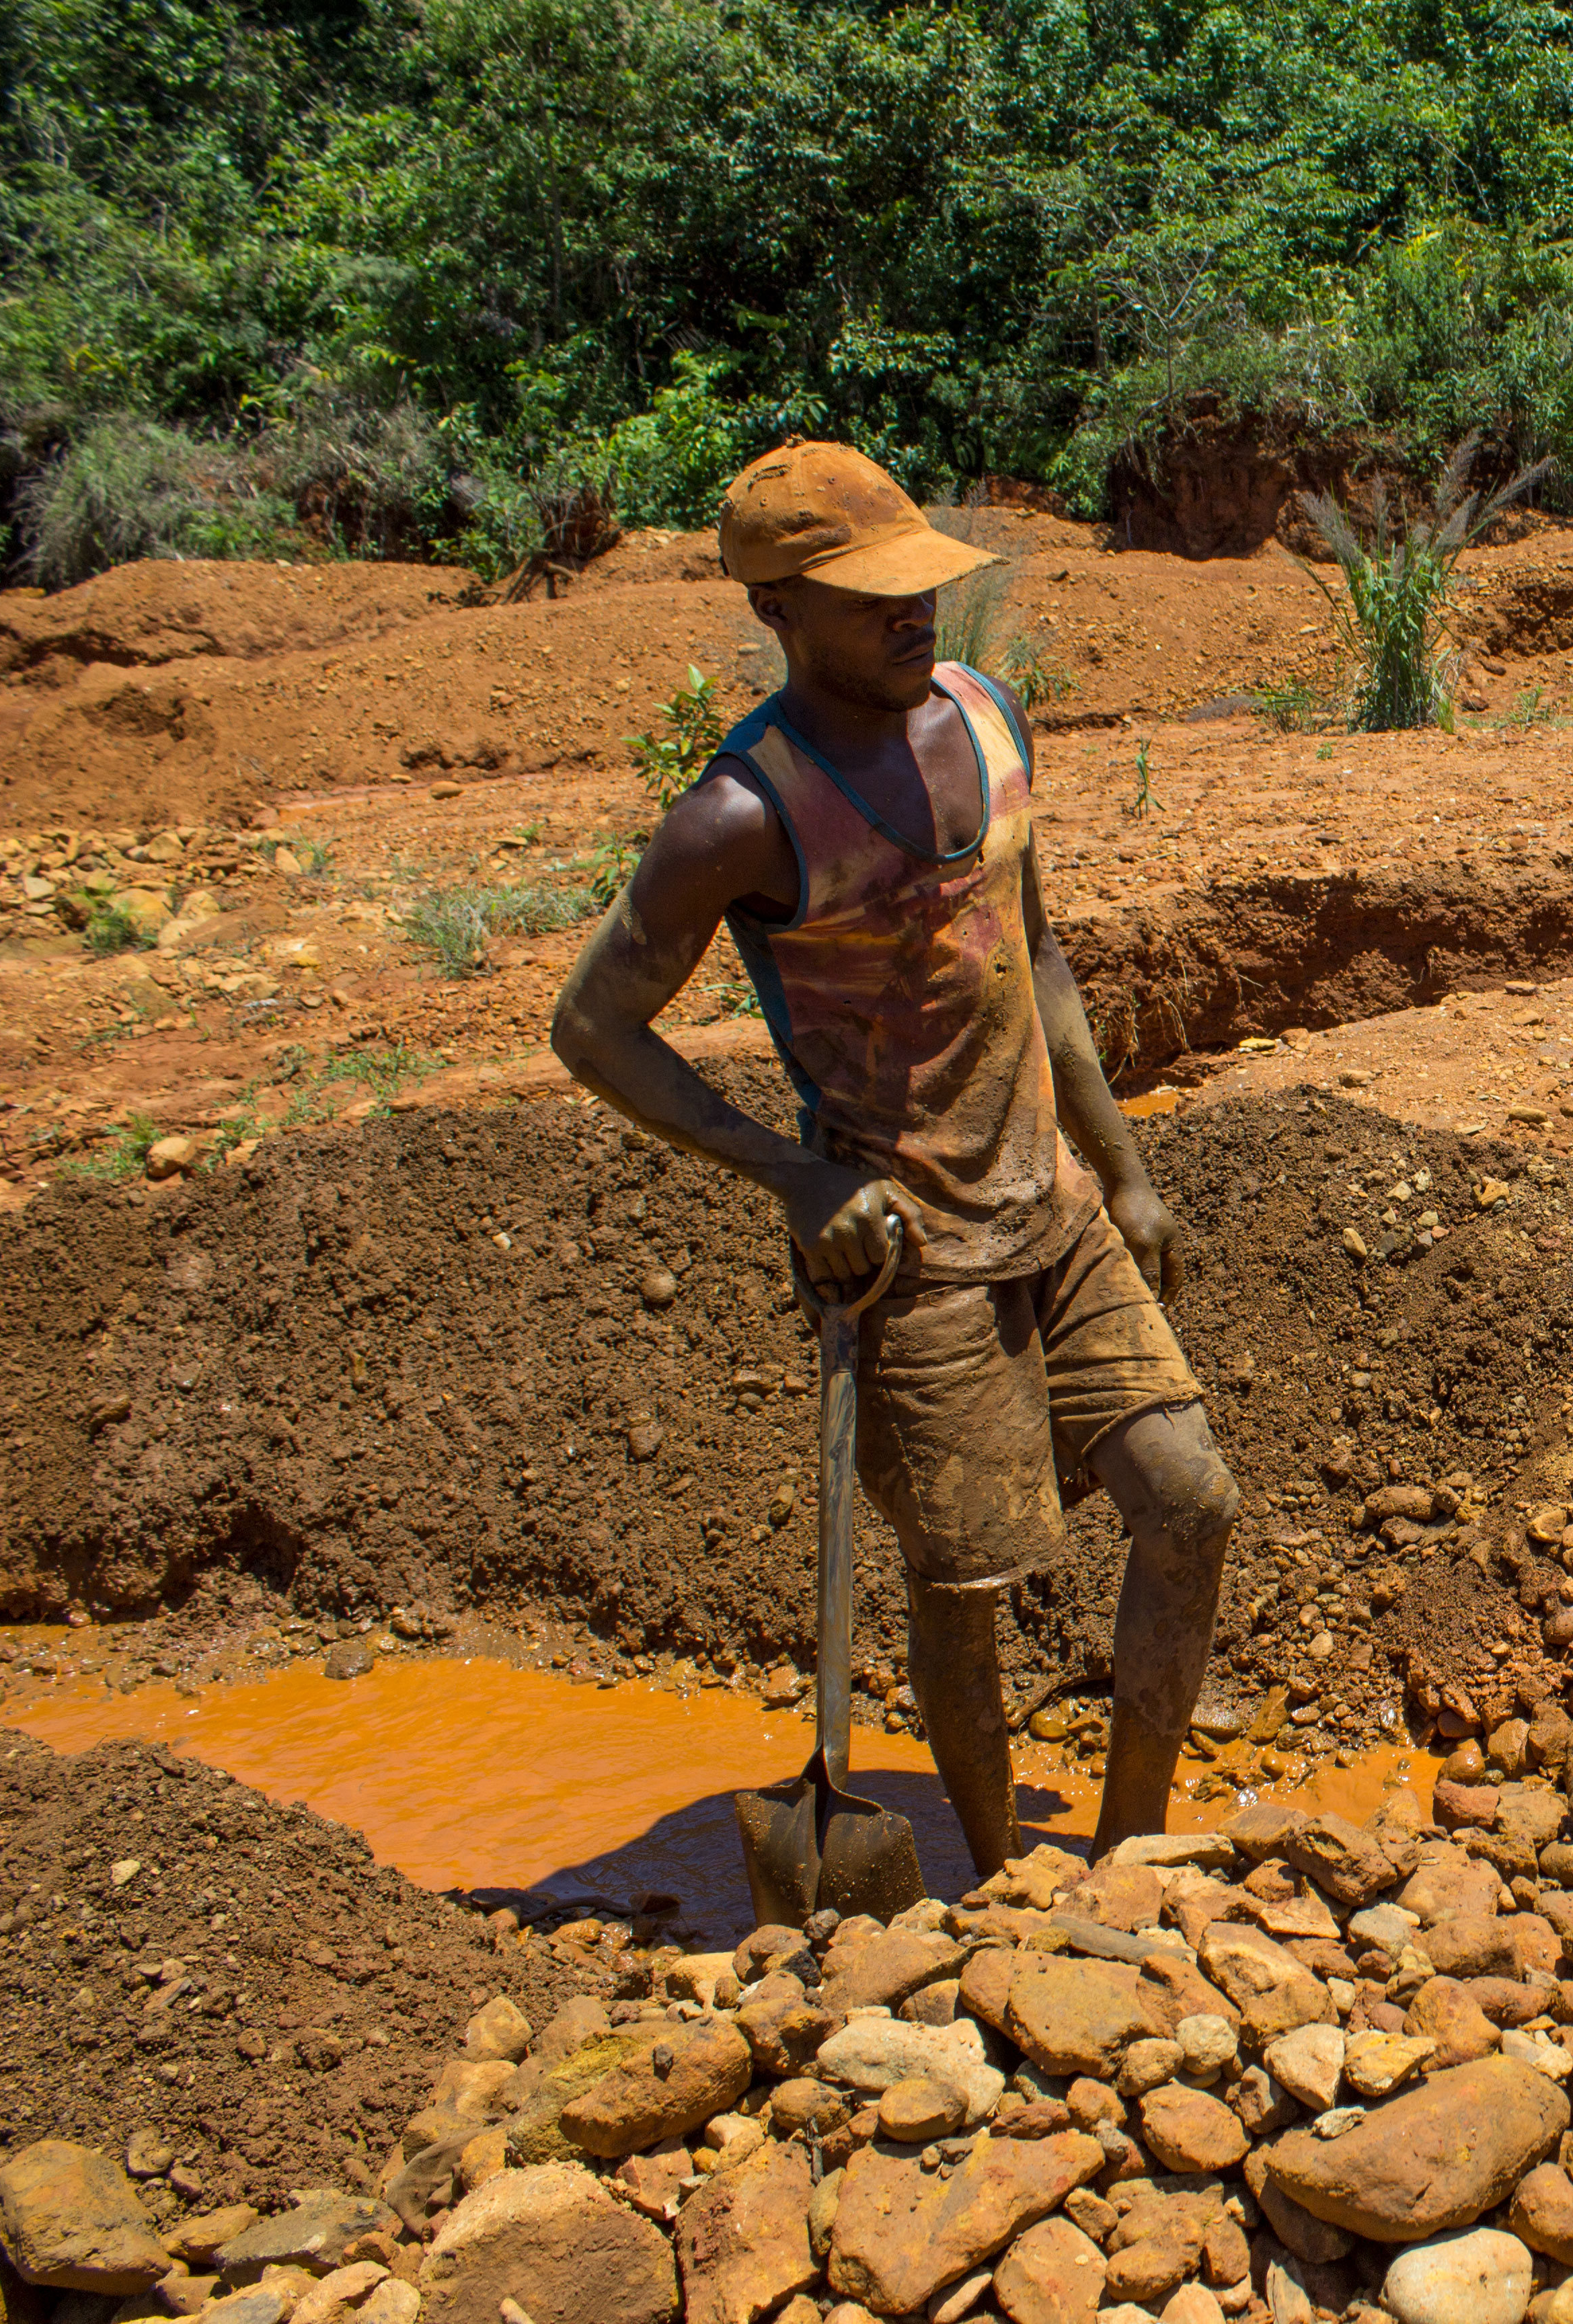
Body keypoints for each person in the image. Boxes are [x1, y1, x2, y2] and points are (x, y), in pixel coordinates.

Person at [552, 440, 1238, 1875]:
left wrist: (1123, 1166)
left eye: (919, 587)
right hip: (912, 1253)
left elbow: (1034, 948)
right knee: (968, 1584)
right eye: (871, 600)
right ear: (779, 612)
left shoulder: (989, 717)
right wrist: (793, 1178)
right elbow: (595, 1027)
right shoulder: (740, 817)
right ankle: (1000, 1886)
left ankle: (1134, 1855)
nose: (914, 615)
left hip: (1056, 1213)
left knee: (1191, 1502)